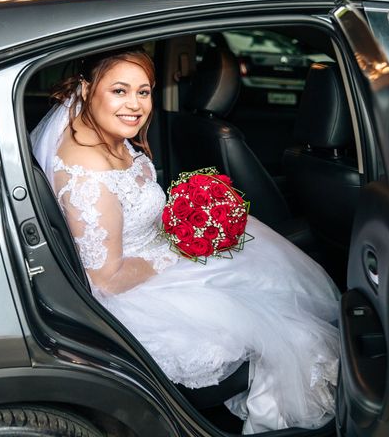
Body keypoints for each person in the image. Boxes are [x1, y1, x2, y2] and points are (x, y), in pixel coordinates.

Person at [30, 47, 340, 434]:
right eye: (120, 91)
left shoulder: (109, 138)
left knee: (273, 286)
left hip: (149, 258)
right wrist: (180, 244)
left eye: (143, 92)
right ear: (86, 88)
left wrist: (187, 221)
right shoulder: (88, 174)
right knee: (289, 330)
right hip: (133, 293)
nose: (135, 105)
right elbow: (107, 279)